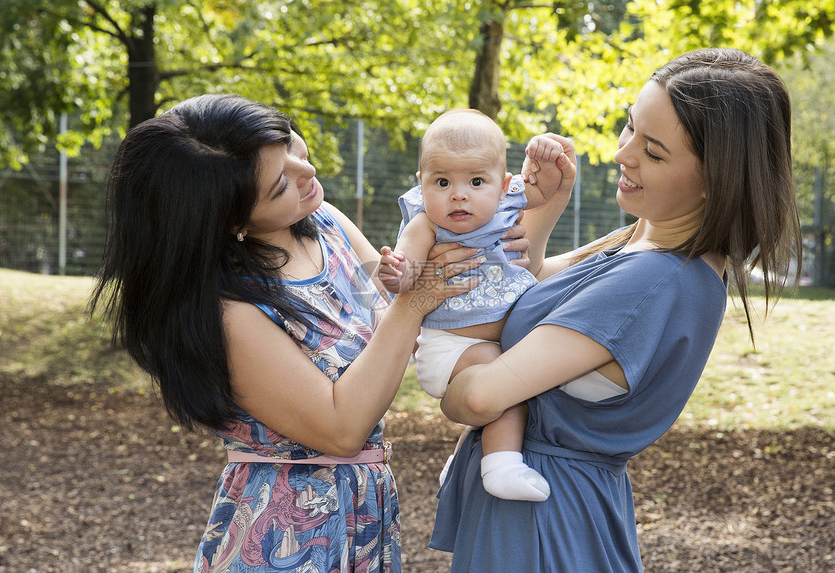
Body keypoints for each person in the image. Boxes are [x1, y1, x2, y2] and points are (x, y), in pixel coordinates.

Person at [89, 94, 575, 572]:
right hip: (288, 530)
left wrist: (524, 222)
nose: (308, 174)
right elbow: (343, 427)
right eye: (281, 183)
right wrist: (418, 299)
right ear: (232, 219)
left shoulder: (321, 223)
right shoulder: (229, 311)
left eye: (294, 149)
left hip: (366, 511)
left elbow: (402, 329)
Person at [429, 47, 803, 572]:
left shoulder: (655, 279)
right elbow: (527, 294)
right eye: (630, 128)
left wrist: (450, 370)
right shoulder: (644, 242)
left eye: (653, 152)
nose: (622, 154)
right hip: (551, 506)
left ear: (713, 181)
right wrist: (548, 203)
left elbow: (481, 397)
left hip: (542, 522)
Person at [378, 109, 568, 502]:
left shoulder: (506, 206)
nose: (459, 194)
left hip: (497, 341)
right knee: (507, 377)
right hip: (451, 348)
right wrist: (396, 273)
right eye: (442, 181)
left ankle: (464, 460)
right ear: (422, 183)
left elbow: (545, 188)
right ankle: (500, 465)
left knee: (521, 370)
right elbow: (407, 273)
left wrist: (547, 152)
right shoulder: (426, 224)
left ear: (504, 186)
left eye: (477, 181)